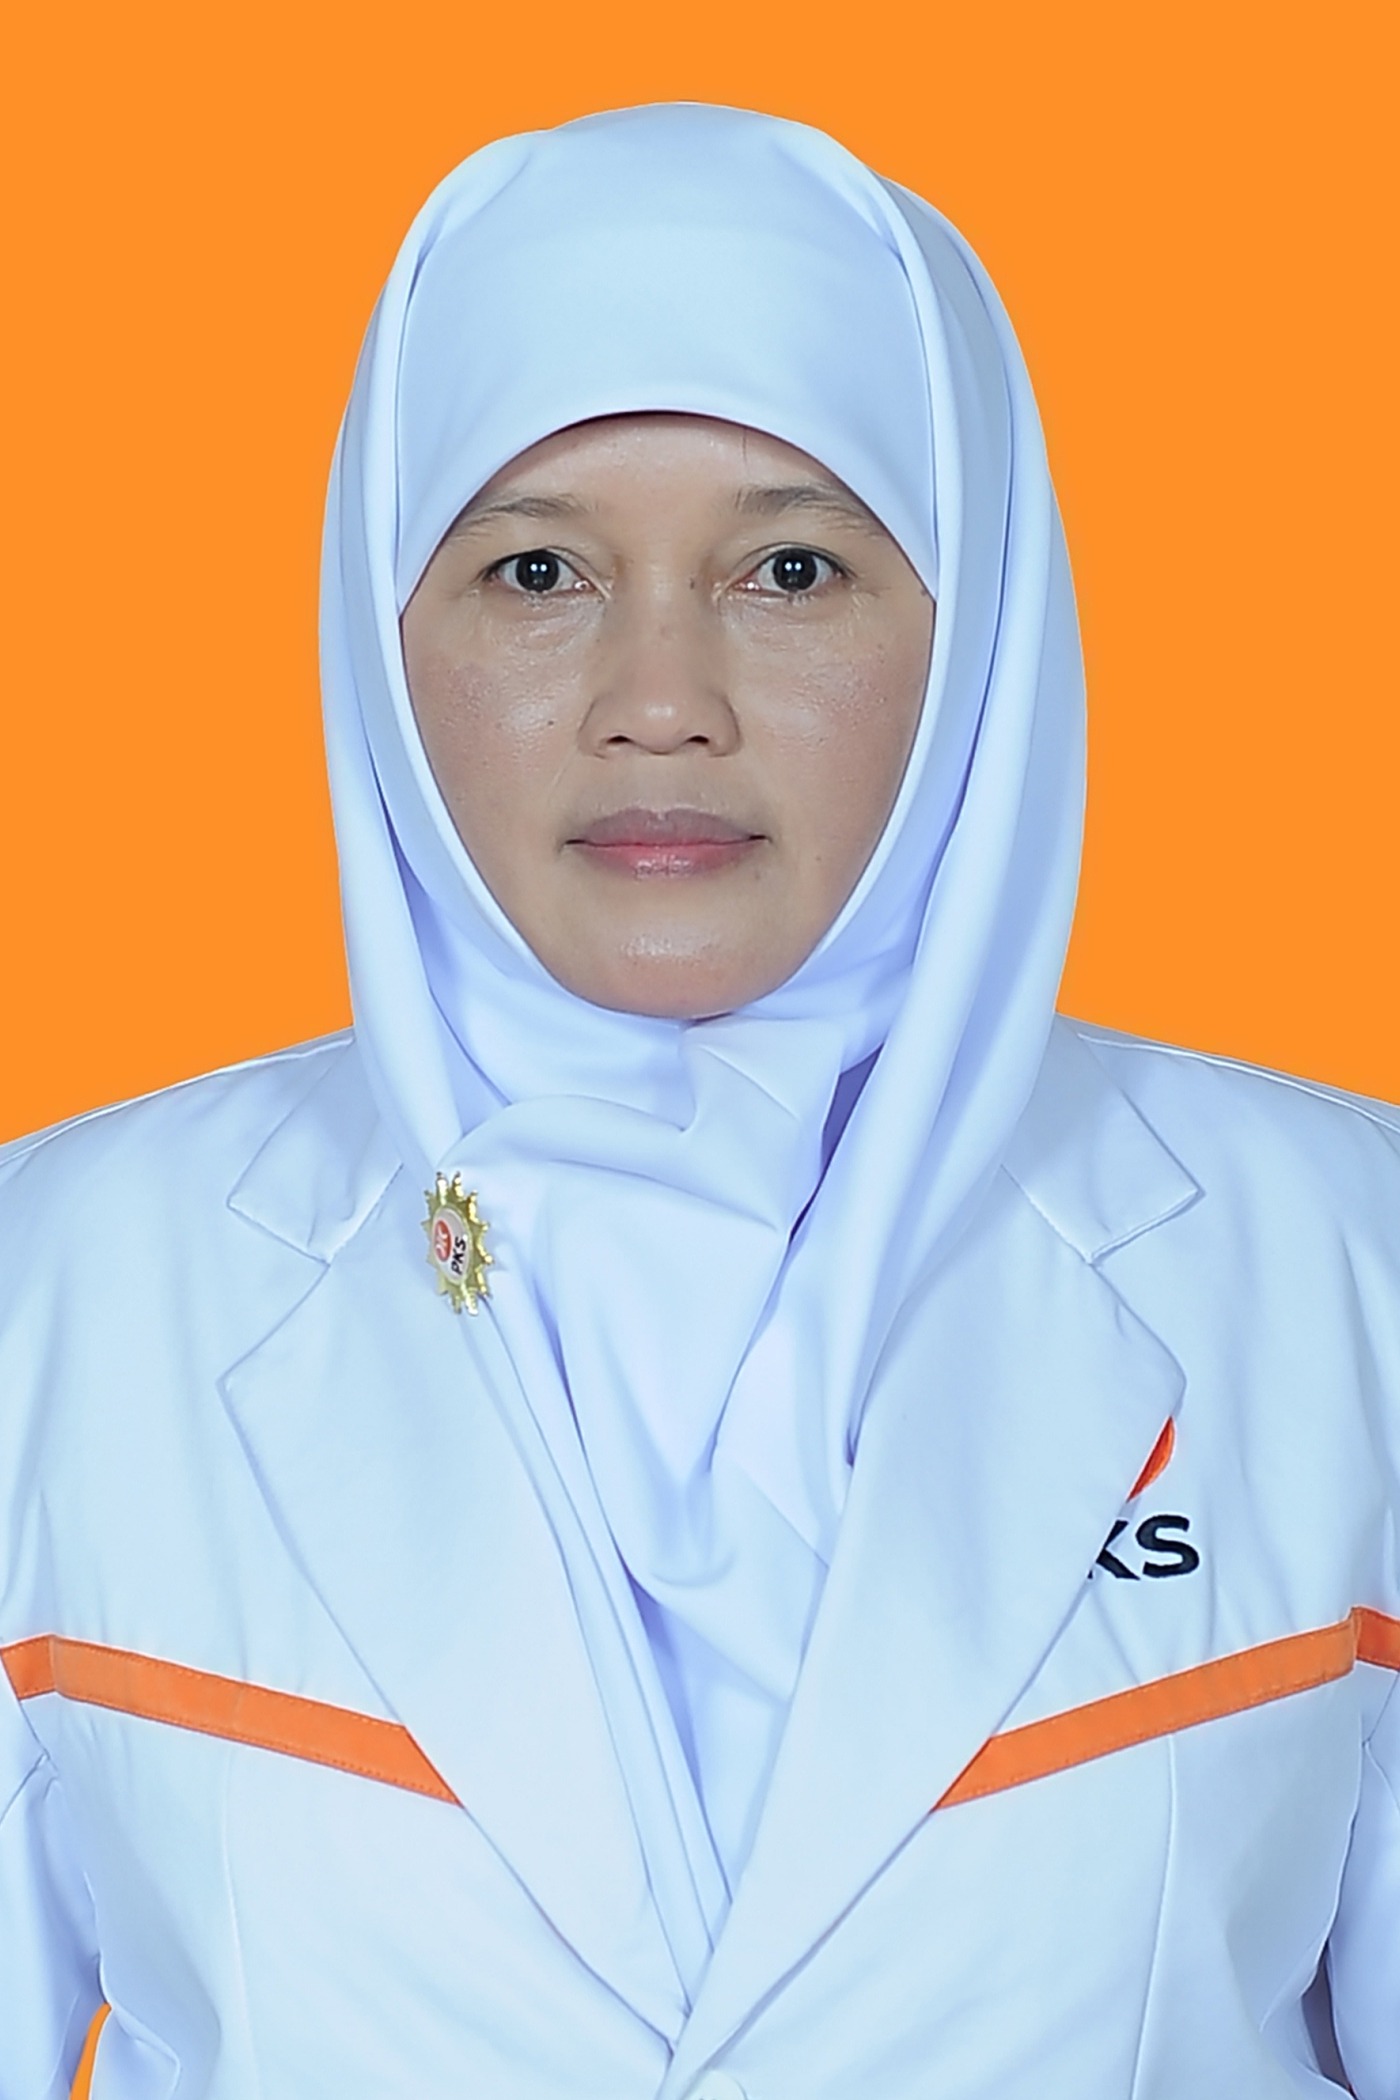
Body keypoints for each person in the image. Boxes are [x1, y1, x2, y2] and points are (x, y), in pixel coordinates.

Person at [1, 101, 1396, 2100]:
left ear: (979, 631)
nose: (660, 701)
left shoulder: (1347, 1266)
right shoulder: (56, 1290)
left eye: (792, 568)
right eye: (538, 568)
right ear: (384, 641)